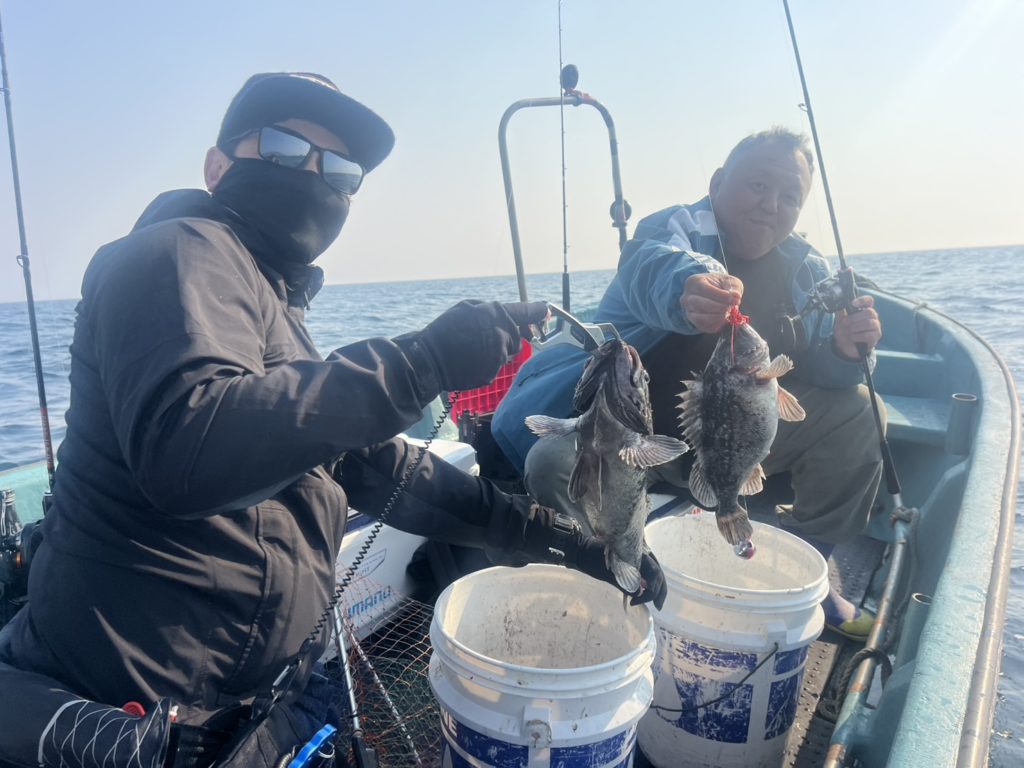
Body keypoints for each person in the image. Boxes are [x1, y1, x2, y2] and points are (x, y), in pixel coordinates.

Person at [0, 72, 665, 768]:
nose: (314, 176)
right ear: (217, 166)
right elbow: (188, 451)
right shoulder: (172, 252)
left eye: (341, 171)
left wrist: (556, 537)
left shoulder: (269, 300)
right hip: (139, 722)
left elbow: (374, 467)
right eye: (286, 149)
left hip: (257, 710)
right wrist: (421, 364)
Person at [492, 127, 884, 641]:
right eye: (758, 185)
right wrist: (687, 288)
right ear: (718, 182)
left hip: (734, 444)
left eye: (790, 196)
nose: (771, 205)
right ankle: (610, 575)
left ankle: (810, 572)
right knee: (550, 463)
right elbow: (649, 265)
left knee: (861, 413)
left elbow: (817, 367)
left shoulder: (806, 269)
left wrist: (846, 352)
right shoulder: (672, 229)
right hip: (627, 439)